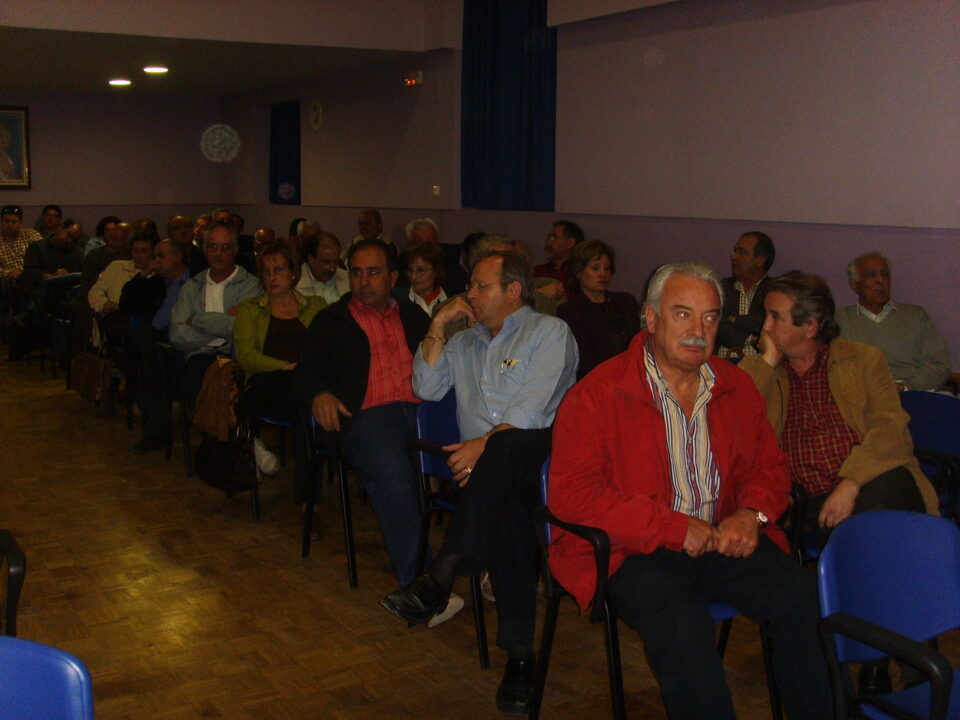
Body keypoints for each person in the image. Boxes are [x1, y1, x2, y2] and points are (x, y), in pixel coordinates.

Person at [548, 262, 833, 720]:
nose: (698, 330)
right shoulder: (597, 393)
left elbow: (769, 468)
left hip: (718, 533)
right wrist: (671, 526)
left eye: (711, 317)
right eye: (682, 314)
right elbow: (574, 496)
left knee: (804, 600)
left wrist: (752, 515)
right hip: (632, 548)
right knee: (683, 624)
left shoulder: (735, 384)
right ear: (651, 318)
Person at [381, 250, 578, 715]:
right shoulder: (464, 342)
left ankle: (441, 574)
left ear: (513, 292)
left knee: (507, 451)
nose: (469, 293)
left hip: (543, 467)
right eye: (468, 286)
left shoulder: (549, 333)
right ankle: (521, 658)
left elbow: (531, 413)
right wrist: (437, 323)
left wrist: (481, 446)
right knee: (506, 517)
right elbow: (425, 388)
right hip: (489, 485)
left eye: (480, 286)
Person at [739, 271, 937, 547]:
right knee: (862, 536)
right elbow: (736, 418)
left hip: (872, 478)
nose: (766, 327)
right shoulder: (762, 372)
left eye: (775, 317)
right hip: (810, 499)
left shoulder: (863, 359)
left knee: (876, 519)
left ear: (809, 326)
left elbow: (890, 429)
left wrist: (851, 482)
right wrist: (768, 360)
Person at [296, 238, 431, 589]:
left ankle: (487, 569)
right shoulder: (332, 321)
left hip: (420, 413)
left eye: (373, 272)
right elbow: (307, 369)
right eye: (356, 273)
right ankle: (421, 585)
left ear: (393, 277)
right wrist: (320, 393)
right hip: (368, 416)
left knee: (485, 463)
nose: (363, 281)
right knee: (396, 476)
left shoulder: (414, 316)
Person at [234, 243, 326, 504]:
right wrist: (284, 366)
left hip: (303, 388)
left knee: (305, 410)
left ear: (294, 273)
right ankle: (309, 501)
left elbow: (327, 348)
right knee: (307, 404)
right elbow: (246, 357)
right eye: (266, 272)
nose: (272, 277)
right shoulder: (250, 308)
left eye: (278, 270)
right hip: (266, 384)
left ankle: (307, 500)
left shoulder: (316, 305)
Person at [170, 223, 260, 405]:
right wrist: (222, 326)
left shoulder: (250, 285)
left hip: (236, 355)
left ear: (235, 250)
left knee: (237, 387)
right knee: (191, 384)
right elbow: (177, 334)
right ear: (204, 249)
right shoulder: (192, 286)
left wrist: (196, 320)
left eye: (225, 247)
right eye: (213, 247)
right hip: (200, 355)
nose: (218, 253)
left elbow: (242, 327)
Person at [837, 252, 950, 392]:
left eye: (885, 274)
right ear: (854, 284)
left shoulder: (915, 316)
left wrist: (906, 387)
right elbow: (832, 368)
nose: (880, 280)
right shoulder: (839, 320)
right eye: (871, 275)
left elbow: (938, 363)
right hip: (861, 397)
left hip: (910, 393)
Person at [131, 239, 191, 454]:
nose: (156, 261)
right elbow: (126, 302)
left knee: (151, 354)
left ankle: (156, 428)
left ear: (177, 257)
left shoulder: (196, 281)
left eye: (160, 256)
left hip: (187, 342)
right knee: (150, 350)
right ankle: (156, 432)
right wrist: (142, 276)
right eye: (154, 256)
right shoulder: (154, 283)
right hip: (160, 342)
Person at [558, 239, 641, 378]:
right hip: (597, 379)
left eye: (607, 268)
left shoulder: (626, 301)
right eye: (595, 268)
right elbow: (584, 359)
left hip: (634, 372)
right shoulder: (570, 311)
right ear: (578, 272)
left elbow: (640, 342)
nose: (602, 274)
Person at [716, 231, 775, 358]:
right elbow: (717, 326)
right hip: (722, 367)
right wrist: (751, 339)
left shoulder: (775, 291)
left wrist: (736, 320)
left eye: (742, 252)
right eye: (735, 251)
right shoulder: (720, 288)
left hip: (760, 368)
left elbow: (764, 324)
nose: (734, 257)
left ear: (759, 261)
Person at [533, 220, 584, 295]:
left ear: (570, 243)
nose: (548, 242)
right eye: (548, 238)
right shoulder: (537, 271)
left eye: (554, 237)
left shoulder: (580, 273)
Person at [296, 232, 348, 304]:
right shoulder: (296, 283)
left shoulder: (347, 278)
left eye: (335, 262)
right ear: (310, 259)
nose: (332, 269)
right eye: (326, 262)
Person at [398, 240, 447, 315]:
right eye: (410, 270)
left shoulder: (451, 300)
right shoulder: (398, 300)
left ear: (436, 271)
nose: (414, 277)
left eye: (421, 270)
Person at [0, 204, 42, 280]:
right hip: (7, 282)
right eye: (6, 221)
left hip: (33, 278)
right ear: (1, 222)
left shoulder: (31, 235)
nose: (9, 225)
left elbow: (43, 255)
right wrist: (8, 273)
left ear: (20, 224)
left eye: (14, 222)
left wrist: (21, 271)